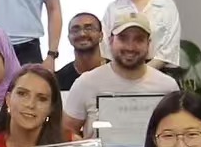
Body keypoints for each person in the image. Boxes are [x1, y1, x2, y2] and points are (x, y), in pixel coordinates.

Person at [63, 11, 180, 139]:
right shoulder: (86, 83)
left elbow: (176, 130)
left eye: (139, 39)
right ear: (111, 41)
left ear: (148, 44)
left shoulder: (167, 86)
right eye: (123, 38)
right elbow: (66, 130)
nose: (130, 47)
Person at [56, 13, 107, 91]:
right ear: (69, 38)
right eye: (75, 30)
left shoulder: (118, 73)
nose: (82, 34)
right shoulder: (58, 80)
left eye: (89, 29)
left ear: (101, 36)